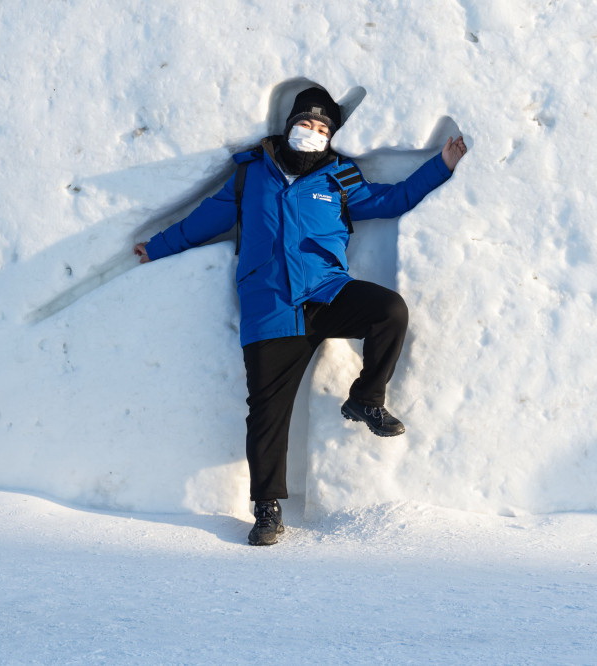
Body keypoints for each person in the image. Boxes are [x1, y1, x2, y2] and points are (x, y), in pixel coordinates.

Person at [134, 86, 466, 547]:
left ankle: (366, 398)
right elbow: (204, 221)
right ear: (289, 126)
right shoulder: (250, 175)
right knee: (267, 413)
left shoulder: (340, 178)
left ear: (331, 136)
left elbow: (391, 201)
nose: (313, 132)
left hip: (326, 291)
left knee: (389, 310)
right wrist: (157, 246)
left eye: (323, 127)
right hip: (270, 305)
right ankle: (267, 510)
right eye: (306, 123)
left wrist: (441, 167)